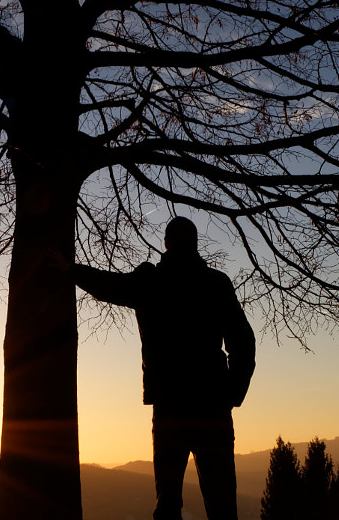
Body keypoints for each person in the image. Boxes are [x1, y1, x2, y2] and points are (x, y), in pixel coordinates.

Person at [73, 216, 256, 520]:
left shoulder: (151, 282)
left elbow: (108, 285)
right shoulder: (215, 283)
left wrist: (71, 270)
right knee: (222, 504)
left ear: (167, 244)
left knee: (168, 505)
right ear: (195, 244)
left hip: (170, 406)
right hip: (213, 406)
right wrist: (232, 392)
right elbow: (243, 342)